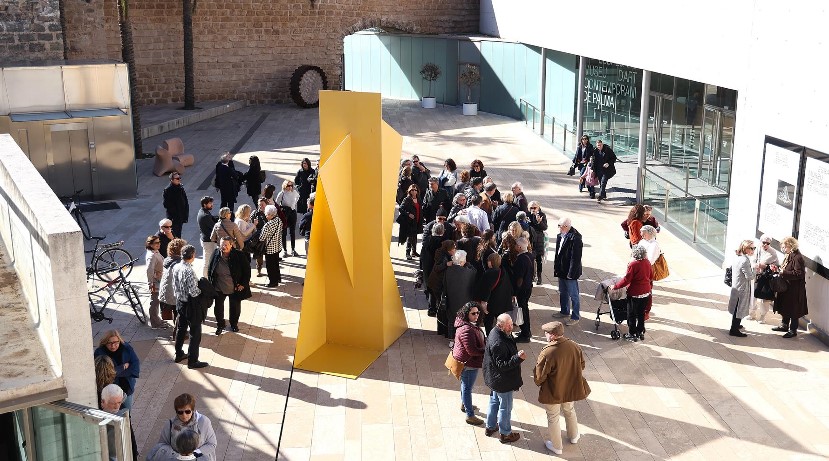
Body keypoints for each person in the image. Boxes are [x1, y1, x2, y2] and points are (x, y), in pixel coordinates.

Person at [533, 321, 590, 455]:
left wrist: (538, 382)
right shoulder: (574, 346)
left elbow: (539, 376)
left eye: (546, 333)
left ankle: (557, 446)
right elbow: (582, 365)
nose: (545, 336)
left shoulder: (547, 352)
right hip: (570, 388)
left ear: (552, 335)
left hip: (553, 391)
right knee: (569, 410)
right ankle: (574, 436)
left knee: (553, 417)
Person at [483, 313, 525, 444]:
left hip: (495, 379)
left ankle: (490, 427)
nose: (511, 327)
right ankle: (505, 434)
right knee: (505, 407)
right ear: (500, 325)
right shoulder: (498, 342)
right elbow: (502, 365)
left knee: (494, 401)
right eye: (508, 325)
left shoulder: (496, 332)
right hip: (502, 381)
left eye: (511, 324)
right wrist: (517, 358)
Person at [145, 393, 217, 461]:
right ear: (176, 412)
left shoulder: (204, 422)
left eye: (187, 411)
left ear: (192, 410)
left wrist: (194, 454)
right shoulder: (170, 424)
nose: (184, 415)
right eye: (180, 412)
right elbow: (162, 445)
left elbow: (212, 444)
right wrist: (177, 456)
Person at [172, 245, 208, 369]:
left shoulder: (176, 266)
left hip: (180, 303)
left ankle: (178, 354)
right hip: (191, 305)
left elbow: (174, 285)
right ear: (192, 255)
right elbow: (194, 292)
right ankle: (193, 361)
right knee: (195, 333)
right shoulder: (188, 270)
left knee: (181, 330)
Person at [208, 236, 252, 335]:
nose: (223, 247)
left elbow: (247, 271)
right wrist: (211, 284)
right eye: (222, 244)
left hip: (234, 287)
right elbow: (210, 269)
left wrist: (243, 284)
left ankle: (233, 324)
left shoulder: (239, 255)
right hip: (219, 287)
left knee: (235, 308)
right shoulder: (215, 253)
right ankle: (220, 324)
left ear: (231, 245)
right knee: (218, 308)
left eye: (226, 245)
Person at [453, 302, 486, 425]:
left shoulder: (470, 325)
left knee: (465, 385)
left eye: (478, 312)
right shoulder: (467, 329)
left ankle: (464, 404)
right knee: (467, 387)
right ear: (466, 314)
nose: (476, 315)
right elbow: (472, 350)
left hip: (468, 362)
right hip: (469, 363)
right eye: (473, 313)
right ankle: (470, 415)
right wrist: (486, 350)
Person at [612, 245, 653, 341]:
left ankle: (632, 333)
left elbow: (626, 280)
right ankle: (640, 331)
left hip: (635, 293)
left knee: (631, 314)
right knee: (641, 313)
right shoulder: (647, 262)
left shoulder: (633, 264)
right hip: (646, 292)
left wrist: (615, 286)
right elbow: (651, 276)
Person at [94, 330, 140, 411]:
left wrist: (114, 372)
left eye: (116, 342)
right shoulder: (100, 353)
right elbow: (103, 373)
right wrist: (122, 368)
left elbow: (135, 369)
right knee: (112, 412)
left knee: (126, 412)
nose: (113, 346)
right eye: (110, 343)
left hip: (126, 388)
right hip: (110, 391)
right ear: (105, 342)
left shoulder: (126, 348)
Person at [772, 237, 808, 338]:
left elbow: (799, 273)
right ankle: (784, 325)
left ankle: (793, 330)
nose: (783, 249)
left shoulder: (797, 257)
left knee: (793, 310)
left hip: (794, 289)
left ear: (790, 246)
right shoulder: (789, 255)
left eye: (784, 247)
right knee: (785, 306)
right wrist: (778, 269)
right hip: (787, 287)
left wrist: (784, 272)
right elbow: (786, 267)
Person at [553, 217, 583, 326]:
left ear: (565, 227)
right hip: (562, 270)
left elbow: (575, 258)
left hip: (570, 272)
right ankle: (564, 311)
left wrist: (571, 274)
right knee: (563, 292)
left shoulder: (575, 238)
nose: (558, 228)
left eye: (559, 226)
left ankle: (575, 316)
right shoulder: (560, 235)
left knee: (574, 295)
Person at [475, 253, 513, 335]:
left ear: (491, 262)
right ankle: (504, 337)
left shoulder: (490, 273)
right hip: (502, 303)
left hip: (492, 304)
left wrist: (484, 302)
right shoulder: (503, 271)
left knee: (488, 323)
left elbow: (486, 289)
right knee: (502, 322)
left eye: (488, 261)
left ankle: (490, 338)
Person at [442, 250, 477, 340]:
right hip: (464, 302)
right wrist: (468, 264)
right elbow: (474, 271)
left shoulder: (448, 270)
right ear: (461, 261)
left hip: (451, 300)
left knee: (451, 321)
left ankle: (451, 340)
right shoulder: (468, 272)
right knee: (464, 321)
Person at [100, 384, 138, 461]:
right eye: (113, 403)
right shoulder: (97, 414)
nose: (117, 406)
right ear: (103, 402)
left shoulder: (123, 412)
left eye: (119, 402)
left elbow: (130, 437)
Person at [726, 240, 756, 337]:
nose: (753, 250)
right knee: (739, 308)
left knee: (737, 307)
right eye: (751, 248)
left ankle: (736, 325)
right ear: (746, 249)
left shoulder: (739, 258)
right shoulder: (744, 261)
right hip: (741, 288)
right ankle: (734, 329)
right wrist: (755, 270)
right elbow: (750, 277)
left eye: (754, 248)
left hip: (736, 286)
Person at [748, 234, 779, 323]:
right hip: (755, 275)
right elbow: (751, 260)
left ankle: (762, 316)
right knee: (752, 295)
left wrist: (765, 266)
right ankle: (751, 313)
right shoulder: (756, 249)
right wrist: (755, 265)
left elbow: (776, 266)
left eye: (767, 243)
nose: (765, 244)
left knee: (764, 298)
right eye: (763, 242)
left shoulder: (773, 252)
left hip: (765, 277)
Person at [511, 237, 535, 342]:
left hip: (522, 290)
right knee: (525, 309)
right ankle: (526, 331)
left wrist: (515, 292)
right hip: (528, 287)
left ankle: (525, 334)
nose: (515, 246)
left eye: (516, 245)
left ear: (519, 247)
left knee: (522, 310)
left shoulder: (521, 260)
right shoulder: (530, 255)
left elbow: (519, 279)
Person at [146, 235, 169, 329]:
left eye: (159, 242)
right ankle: (155, 323)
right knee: (155, 302)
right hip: (155, 282)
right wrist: (151, 283)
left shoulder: (155, 252)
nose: (158, 244)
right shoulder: (151, 256)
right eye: (156, 243)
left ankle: (156, 319)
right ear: (150, 244)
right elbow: (149, 270)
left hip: (159, 280)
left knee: (157, 301)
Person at [259, 205, 284, 288]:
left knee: (270, 266)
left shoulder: (267, 225)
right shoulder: (279, 220)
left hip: (269, 248)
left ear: (271, 215)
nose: (266, 216)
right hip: (277, 246)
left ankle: (273, 282)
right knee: (276, 264)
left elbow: (262, 238)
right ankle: (278, 278)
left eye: (267, 214)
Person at [397, 184, 422, 260]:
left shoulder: (418, 198)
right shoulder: (407, 199)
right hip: (410, 221)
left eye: (415, 190)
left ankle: (414, 252)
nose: (414, 191)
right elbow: (401, 208)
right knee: (410, 237)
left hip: (417, 220)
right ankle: (408, 253)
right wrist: (408, 214)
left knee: (415, 236)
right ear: (409, 191)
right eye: (412, 190)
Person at [275, 179, 300, 257]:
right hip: (285, 214)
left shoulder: (294, 192)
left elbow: (298, 197)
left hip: (292, 213)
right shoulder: (282, 193)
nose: (290, 187)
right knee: (284, 233)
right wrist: (281, 210)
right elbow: (277, 204)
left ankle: (293, 249)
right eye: (288, 186)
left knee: (292, 232)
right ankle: (285, 250)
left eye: (291, 185)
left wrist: (293, 204)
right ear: (285, 186)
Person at [197, 196, 219, 277]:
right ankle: (205, 279)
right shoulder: (205, 215)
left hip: (205, 239)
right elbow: (214, 227)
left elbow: (212, 219)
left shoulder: (203, 211)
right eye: (210, 203)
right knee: (207, 261)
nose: (212, 205)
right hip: (208, 242)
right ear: (204, 204)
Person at [163, 172, 189, 238]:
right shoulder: (168, 190)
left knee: (179, 234)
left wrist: (185, 214)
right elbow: (166, 205)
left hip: (180, 216)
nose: (179, 179)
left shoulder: (180, 187)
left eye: (179, 178)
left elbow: (185, 201)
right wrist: (175, 214)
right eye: (177, 178)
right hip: (174, 218)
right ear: (172, 180)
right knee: (174, 235)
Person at [528, 201, 548, 284]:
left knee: (539, 259)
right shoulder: (527, 215)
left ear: (538, 207)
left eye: (535, 207)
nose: (533, 209)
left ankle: (539, 277)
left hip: (539, 239)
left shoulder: (542, 215)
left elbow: (545, 227)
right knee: (531, 259)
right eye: (531, 208)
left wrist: (539, 221)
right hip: (530, 239)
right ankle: (532, 275)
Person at [252, 198, 269, 276]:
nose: (260, 206)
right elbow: (250, 223)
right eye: (259, 204)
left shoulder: (270, 212)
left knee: (269, 255)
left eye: (262, 204)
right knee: (259, 255)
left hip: (268, 237)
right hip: (259, 237)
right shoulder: (255, 213)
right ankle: (259, 269)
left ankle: (270, 270)